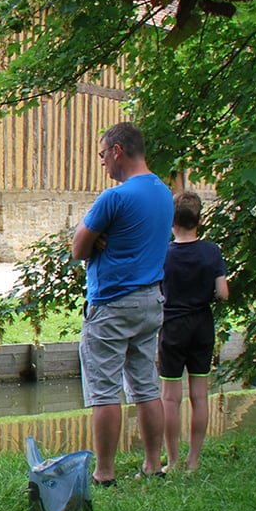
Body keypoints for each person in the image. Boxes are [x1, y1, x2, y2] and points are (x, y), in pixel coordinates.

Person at [71, 121, 175, 484]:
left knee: (104, 390)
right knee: (146, 386)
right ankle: (152, 464)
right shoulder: (164, 193)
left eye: (102, 154)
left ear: (117, 150)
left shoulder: (115, 197)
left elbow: (78, 248)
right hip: (150, 302)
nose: (102, 163)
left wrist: (98, 239)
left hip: (112, 303)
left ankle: (104, 472)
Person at [158, 190, 230, 472]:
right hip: (202, 326)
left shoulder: (163, 253)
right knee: (199, 396)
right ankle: (194, 461)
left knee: (170, 397)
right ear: (200, 220)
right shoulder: (212, 251)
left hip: (172, 327)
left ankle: (173, 461)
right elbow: (223, 293)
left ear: (171, 222)